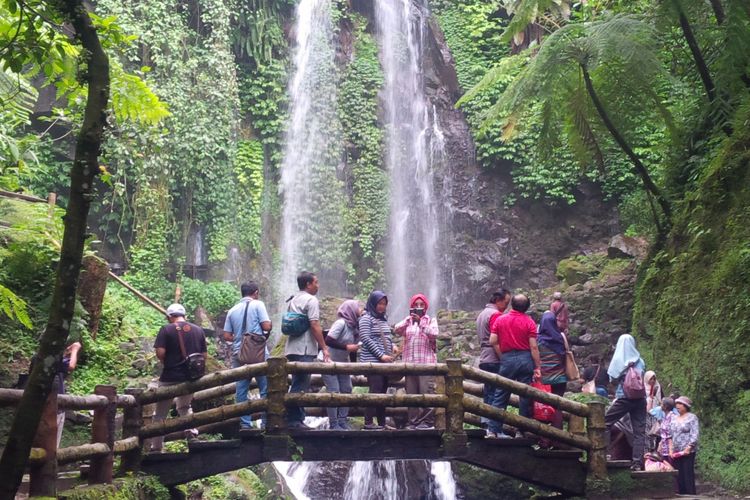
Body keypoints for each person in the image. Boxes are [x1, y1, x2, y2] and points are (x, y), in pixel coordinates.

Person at [148, 304, 207, 452]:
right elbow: (204, 356)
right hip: (191, 378)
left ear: (169, 316)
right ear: (184, 315)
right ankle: (192, 435)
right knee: (184, 407)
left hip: (170, 376)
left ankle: (156, 447)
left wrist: (170, 362)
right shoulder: (198, 330)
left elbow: (160, 353)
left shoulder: (166, 329)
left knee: (160, 413)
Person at [490, 294, 542, 438]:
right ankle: (521, 431)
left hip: (507, 358)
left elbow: (493, 340)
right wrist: (537, 367)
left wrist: (503, 356)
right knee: (525, 395)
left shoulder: (501, 319)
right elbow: (534, 347)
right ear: (527, 307)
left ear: (511, 304)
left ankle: (493, 430)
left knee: (500, 393)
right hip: (525, 359)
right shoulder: (529, 322)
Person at [223, 282, 272, 430]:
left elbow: (226, 335)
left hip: (239, 353)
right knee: (265, 388)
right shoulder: (258, 304)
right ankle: (265, 423)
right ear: (255, 293)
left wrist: (240, 339)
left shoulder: (232, 310)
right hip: (258, 353)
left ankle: (245, 424)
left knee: (241, 390)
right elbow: (266, 326)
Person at [285, 271, 330, 429]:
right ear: (308, 284)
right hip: (304, 348)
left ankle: (296, 418)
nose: (318, 286)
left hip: (292, 347)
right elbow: (315, 325)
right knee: (301, 384)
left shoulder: (293, 299)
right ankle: (294, 421)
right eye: (316, 282)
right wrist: (324, 347)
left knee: (298, 382)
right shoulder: (311, 300)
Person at [394, 293, 439, 429]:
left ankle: (427, 422)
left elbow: (435, 333)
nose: (419, 307)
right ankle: (413, 422)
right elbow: (396, 329)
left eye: (421, 305)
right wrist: (409, 320)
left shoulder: (430, 320)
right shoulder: (408, 321)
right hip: (410, 363)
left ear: (426, 306)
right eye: (416, 305)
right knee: (412, 394)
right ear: (412, 307)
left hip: (426, 363)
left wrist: (421, 323)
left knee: (427, 392)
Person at [604, 334, 647, 471]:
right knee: (639, 432)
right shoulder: (640, 360)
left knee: (605, 422)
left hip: (624, 397)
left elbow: (612, 378)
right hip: (640, 398)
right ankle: (637, 463)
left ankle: (604, 454)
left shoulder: (618, 360)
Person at [475, 289, 511, 437]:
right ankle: (494, 429)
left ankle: (486, 424)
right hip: (494, 357)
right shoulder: (496, 315)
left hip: (484, 357)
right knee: (498, 393)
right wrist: (504, 358)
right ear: (498, 300)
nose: (506, 306)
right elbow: (497, 339)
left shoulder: (481, 314)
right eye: (506, 302)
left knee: (489, 392)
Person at [359, 290, 396, 430]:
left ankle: (381, 423)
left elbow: (385, 337)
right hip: (372, 362)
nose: (382, 306)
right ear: (373, 303)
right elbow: (366, 339)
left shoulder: (382, 319)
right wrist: (381, 355)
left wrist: (393, 346)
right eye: (379, 303)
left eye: (384, 304)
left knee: (383, 392)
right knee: (375, 390)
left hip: (384, 362)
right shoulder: (366, 318)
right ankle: (368, 422)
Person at [322, 299, 360, 430]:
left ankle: (342, 421)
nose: (359, 311)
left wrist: (354, 367)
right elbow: (328, 340)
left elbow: (353, 348)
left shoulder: (354, 327)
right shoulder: (340, 323)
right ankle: (333, 424)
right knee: (334, 391)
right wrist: (347, 347)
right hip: (329, 362)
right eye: (357, 308)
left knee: (347, 389)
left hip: (343, 363)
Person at [537, 309, 567, 431]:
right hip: (560, 378)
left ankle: (544, 438)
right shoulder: (560, 338)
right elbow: (566, 355)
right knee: (557, 406)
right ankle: (558, 439)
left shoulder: (538, 340)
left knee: (542, 406)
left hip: (544, 379)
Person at [668, 396, 699, 494]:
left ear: (686, 406)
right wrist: (671, 449)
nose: (678, 406)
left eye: (680, 404)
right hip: (676, 451)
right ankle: (682, 494)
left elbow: (695, 433)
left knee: (687, 473)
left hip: (687, 451)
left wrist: (689, 447)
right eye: (677, 404)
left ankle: (691, 494)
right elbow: (670, 435)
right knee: (679, 474)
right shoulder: (674, 418)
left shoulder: (692, 417)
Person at [54, 341, 82, 447]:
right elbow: (71, 366)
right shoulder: (54, 359)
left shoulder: (39, 358)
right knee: (53, 441)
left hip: (40, 404)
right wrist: (75, 350)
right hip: (55, 405)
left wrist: (66, 353)